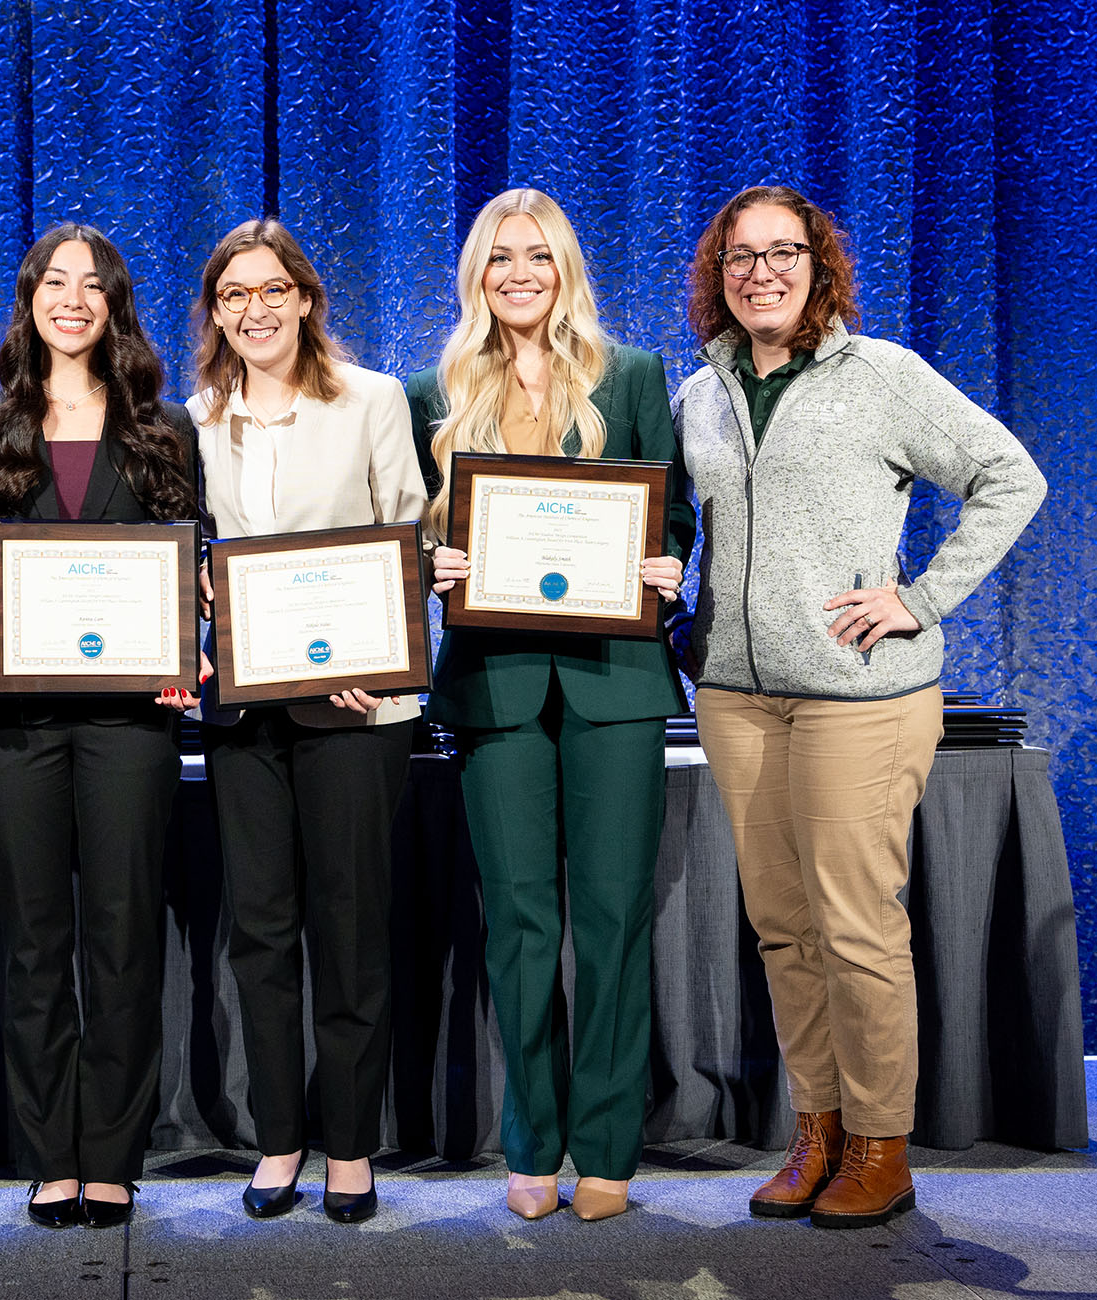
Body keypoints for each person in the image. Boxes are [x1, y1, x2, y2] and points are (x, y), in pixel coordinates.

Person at [676, 184, 1045, 1228]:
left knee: (855, 927)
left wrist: (917, 600)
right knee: (784, 930)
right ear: (719, 273)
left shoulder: (881, 375)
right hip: (738, 697)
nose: (762, 272)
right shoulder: (698, 392)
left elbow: (1008, 478)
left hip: (856, 698)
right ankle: (817, 1130)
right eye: (740, 256)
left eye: (782, 251)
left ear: (817, 262)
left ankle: (882, 1145)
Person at [409, 189, 693, 1223]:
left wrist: (669, 564)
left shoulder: (632, 376)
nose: (519, 273)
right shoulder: (428, 392)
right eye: (499, 259)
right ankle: (531, 1138)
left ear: (565, 267)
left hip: (614, 680)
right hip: (493, 682)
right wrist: (426, 562)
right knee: (522, 925)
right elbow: (409, 539)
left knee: (614, 919)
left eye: (537, 256)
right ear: (476, 276)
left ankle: (608, 1144)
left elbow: (680, 514)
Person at [0, 224, 200, 1231]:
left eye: (91, 284)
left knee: (123, 931)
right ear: (28, 299)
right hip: (12, 719)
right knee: (30, 938)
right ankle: (50, 1150)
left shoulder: (162, 426)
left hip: (131, 720)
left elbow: (195, 559)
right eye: (53, 281)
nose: (71, 297)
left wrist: (196, 641)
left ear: (115, 306)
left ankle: (113, 1150)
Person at [187, 218, 426, 1225]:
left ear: (305, 298)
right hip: (246, 709)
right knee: (261, 932)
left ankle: (348, 1144)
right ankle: (279, 1138)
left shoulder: (371, 398)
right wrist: (193, 599)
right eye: (233, 295)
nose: (254, 310)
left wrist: (386, 665)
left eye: (271, 290)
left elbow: (407, 535)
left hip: (353, 708)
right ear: (214, 312)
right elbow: (191, 553)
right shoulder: (193, 417)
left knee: (350, 928)